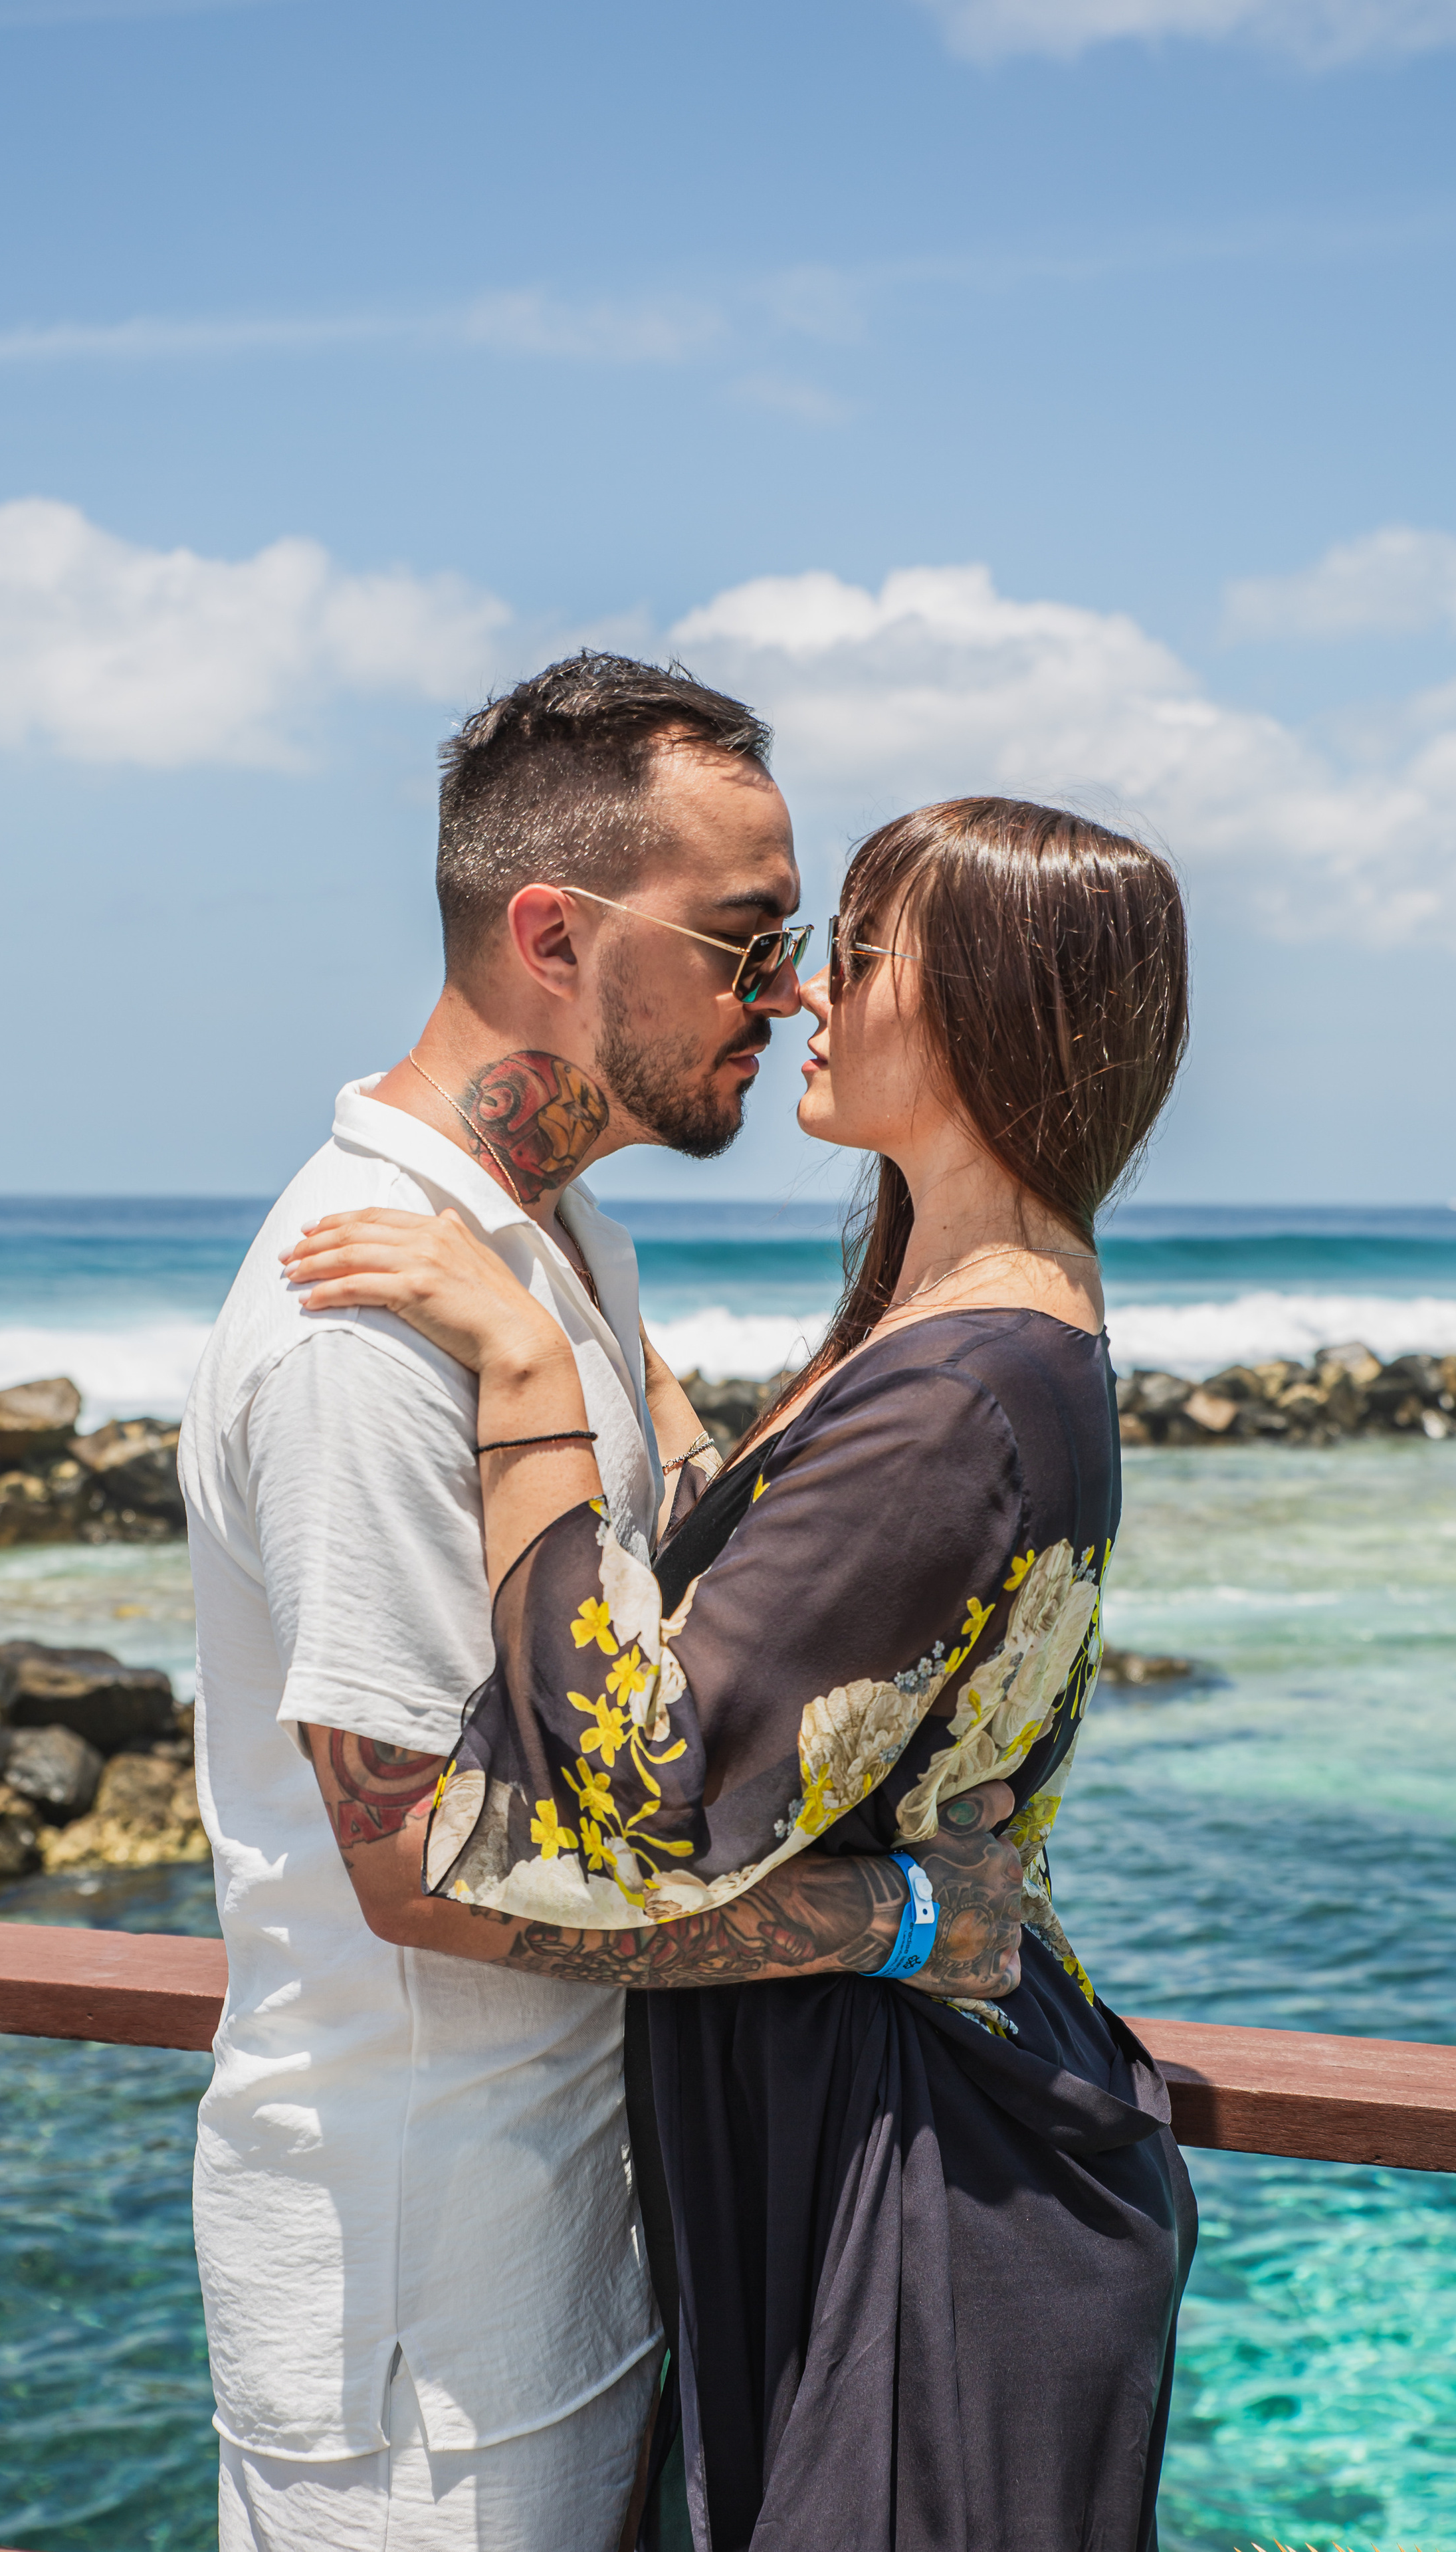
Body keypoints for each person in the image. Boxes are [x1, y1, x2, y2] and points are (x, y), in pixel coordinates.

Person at [284, 794, 1199, 2551]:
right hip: (893, 2127)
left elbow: (652, 1800)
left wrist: (524, 1364)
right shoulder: (965, 1326)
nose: (802, 995)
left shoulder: (959, 1389)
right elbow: (791, 1596)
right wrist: (596, 1310)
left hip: (924, 2177)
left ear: (995, 1014)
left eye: (857, 956)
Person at [179, 655, 1022, 2552]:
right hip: (426, 2326)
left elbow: (658, 1624)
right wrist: (899, 1921)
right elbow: (419, 1869)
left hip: (561, 2254)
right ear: (556, 936)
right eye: (746, 941)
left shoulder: (560, 1250)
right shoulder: (366, 1332)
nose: (787, 993)